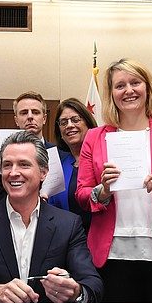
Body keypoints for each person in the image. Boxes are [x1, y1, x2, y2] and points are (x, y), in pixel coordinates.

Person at [76, 58, 152, 303]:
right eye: (120, 85)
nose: (129, 90)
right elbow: (81, 195)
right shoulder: (94, 137)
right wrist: (103, 191)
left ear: (147, 87)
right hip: (112, 257)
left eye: (135, 83)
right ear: (111, 93)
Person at [0, 131, 103, 303]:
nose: (13, 173)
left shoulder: (68, 225)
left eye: (24, 165)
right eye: (7, 165)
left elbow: (93, 284)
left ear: (43, 172)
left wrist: (75, 292)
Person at [47, 98, 97, 233]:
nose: (69, 125)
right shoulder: (57, 165)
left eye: (75, 120)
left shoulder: (103, 157)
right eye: (63, 122)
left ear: (88, 124)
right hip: (67, 237)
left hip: (102, 236)